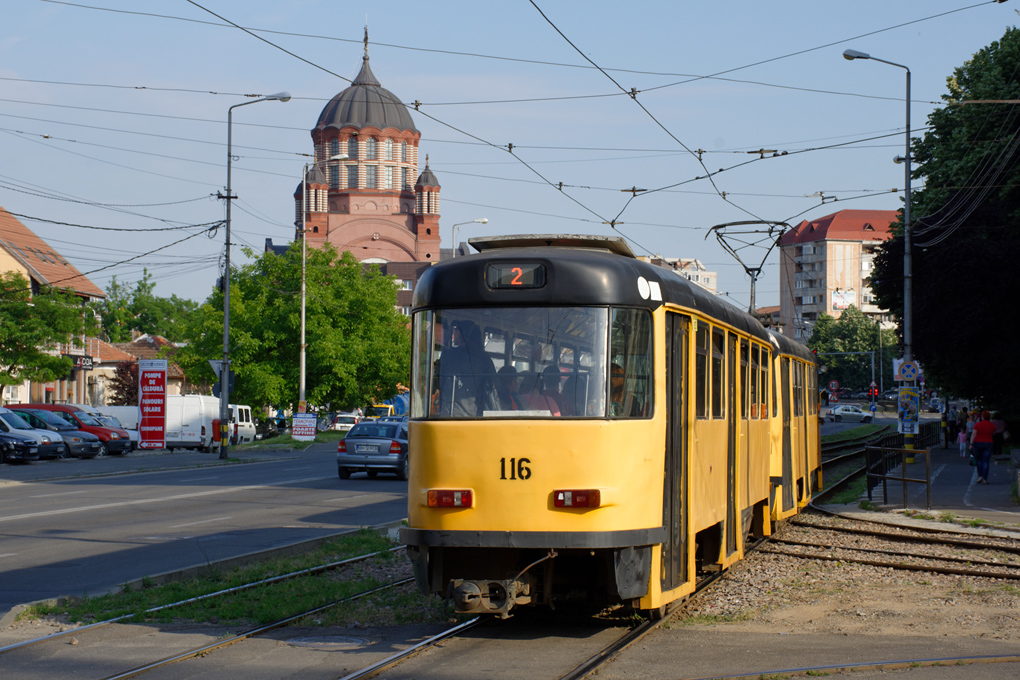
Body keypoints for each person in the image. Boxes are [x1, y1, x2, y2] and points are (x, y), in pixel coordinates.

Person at [437, 319, 497, 417]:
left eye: (455, 330)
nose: (454, 332)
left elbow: (440, 383)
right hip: (474, 416)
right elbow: (492, 385)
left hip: (447, 415)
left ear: (460, 334)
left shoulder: (448, 355)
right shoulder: (484, 359)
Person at [970, 410, 995, 484]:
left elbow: (974, 434)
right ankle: (985, 479)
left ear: (982, 416)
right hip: (988, 443)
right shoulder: (992, 425)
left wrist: (971, 444)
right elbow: (993, 433)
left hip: (978, 443)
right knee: (986, 461)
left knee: (978, 460)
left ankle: (980, 476)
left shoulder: (978, 424)